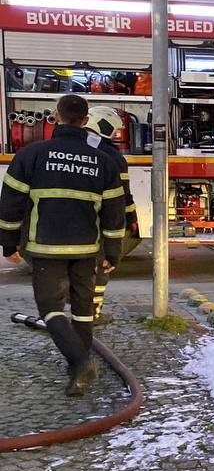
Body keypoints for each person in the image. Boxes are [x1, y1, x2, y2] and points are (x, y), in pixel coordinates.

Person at [0, 94, 126, 396]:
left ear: (56, 117)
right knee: (83, 310)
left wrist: (8, 245)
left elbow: (10, 205)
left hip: (46, 248)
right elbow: (114, 212)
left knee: (51, 309)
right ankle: (77, 371)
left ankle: (81, 363)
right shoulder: (103, 162)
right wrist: (113, 252)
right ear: (86, 122)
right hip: (86, 250)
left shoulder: (32, 155)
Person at [85, 106, 139, 325]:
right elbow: (123, 194)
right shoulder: (113, 156)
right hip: (101, 219)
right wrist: (132, 218)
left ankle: (69, 311)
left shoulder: (74, 146)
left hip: (75, 219)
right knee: (102, 263)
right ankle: (93, 313)